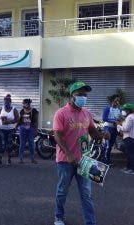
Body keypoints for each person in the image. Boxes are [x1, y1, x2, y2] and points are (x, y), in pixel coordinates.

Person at [53, 81, 110, 225]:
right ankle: (58, 217)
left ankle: (90, 222)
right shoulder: (61, 113)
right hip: (65, 161)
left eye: (85, 95)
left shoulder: (86, 113)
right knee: (62, 191)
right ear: (71, 95)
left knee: (86, 194)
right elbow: (57, 135)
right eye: (79, 94)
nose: (83, 97)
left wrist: (102, 135)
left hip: (84, 161)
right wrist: (69, 154)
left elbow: (92, 131)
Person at [0, 94, 19, 166]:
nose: (7, 102)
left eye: (8, 101)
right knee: (2, 144)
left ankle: (9, 160)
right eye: (6, 100)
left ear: (10, 101)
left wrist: (10, 122)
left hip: (10, 130)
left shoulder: (14, 109)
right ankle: (0, 160)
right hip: (1, 129)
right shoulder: (1, 108)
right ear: (4, 101)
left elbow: (17, 119)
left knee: (9, 145)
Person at [17, 98, 39, 164]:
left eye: (24, 103)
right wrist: (16, 126)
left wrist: (36, 130)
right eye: (23, 103)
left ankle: (33, 159)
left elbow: (36, 121)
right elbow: (19, 120)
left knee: (31, 144)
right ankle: (20, 159)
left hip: (31, 128)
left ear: (28, 103)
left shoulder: (34, 111)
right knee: (22, 144)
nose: (23, 105)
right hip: (22, 128)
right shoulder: (22, 111)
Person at [102, 94, 121, 165]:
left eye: (118, 101)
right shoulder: (107, 108)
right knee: (107, 145)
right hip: (107, 128)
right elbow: (104, 118)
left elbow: (120, 119)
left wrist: (120, 121)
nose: (117, 102)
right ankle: (104, 161)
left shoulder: (119, 110)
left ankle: (107, 160)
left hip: (115, 129)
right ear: (112, 101)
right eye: (116, 100)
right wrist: (114, 121)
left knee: (110, 146)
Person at [117, 103, 134, 175]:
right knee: (130, 153)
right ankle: (128, 167)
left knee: (130, 154)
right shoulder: (132, 116)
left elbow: (126, 128)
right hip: (131, 137)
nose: (123, 111)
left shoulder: (130, 117)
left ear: (128, 110)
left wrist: (119, 125)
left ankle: (132, 169)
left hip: (129, 138)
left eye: (125, 110)